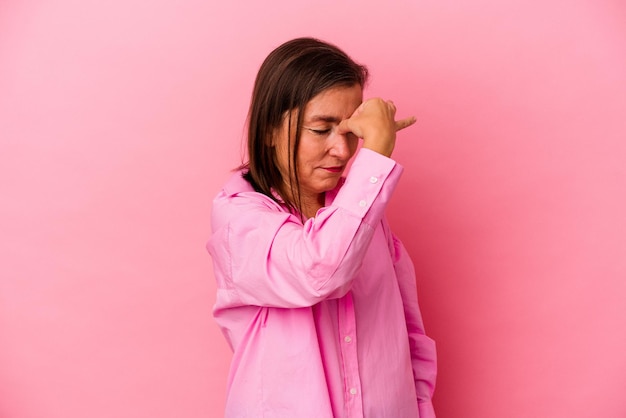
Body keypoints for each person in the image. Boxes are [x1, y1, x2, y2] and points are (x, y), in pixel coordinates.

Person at [207, 37, 437, 417]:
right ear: (268, 131)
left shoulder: (363, 215)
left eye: (351, 132)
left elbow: (410, 335)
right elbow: (320, 270)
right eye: (321, 129)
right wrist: (376, 156)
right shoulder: (239, 221)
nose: (344, 151)